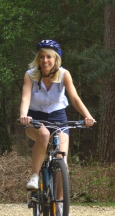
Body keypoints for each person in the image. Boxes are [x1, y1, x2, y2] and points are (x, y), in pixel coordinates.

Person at [18, 40, 95, 201]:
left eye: (49, 57)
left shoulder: (64, 74)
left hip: (58, 117)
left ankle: (60, 202)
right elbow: (25, 98)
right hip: (35, 117)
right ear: (38, 59)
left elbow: (74, 97)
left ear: (56, 59)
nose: (45, 61)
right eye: (42, 57)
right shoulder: (30, 75)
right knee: (44, 135)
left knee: (62, 161)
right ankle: (34, 176)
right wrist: (24, 116)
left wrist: (87, 116)